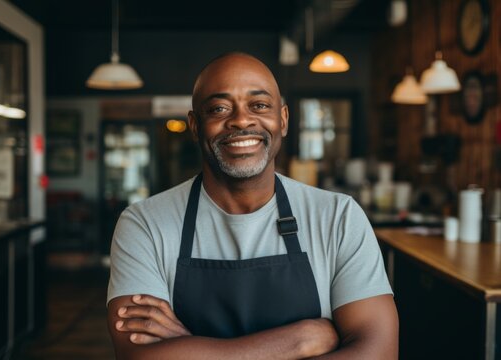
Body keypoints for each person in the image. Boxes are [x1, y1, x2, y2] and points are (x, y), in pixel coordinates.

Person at [107, 52, 398, 359]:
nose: (241, 120)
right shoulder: (144, 224)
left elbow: (378, 352)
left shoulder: (339, 218)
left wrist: (191, 348)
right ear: (194, 126)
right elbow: (137, 356)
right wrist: (298, 341)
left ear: (283, 120)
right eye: (219, 108)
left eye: (259, 105)